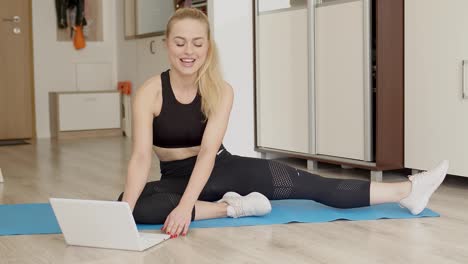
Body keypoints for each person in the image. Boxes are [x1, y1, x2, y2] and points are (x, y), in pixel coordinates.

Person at [118, 8, 449, 239]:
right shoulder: (150, 93)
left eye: (197, 42)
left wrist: (185, 207)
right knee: (129, 204)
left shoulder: (221, 91)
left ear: (208, 46)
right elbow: (140, 159)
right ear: (166, 44)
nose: (188, 51)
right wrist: (125, 218)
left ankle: (408, 191)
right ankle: (231, 209)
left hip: (223, 169)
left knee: (314, 186)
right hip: (176, 178)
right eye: (179, 42)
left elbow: (207, 153)